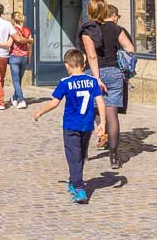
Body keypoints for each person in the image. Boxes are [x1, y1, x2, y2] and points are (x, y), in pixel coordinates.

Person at [33, 49, 106, 204]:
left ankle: (80, 188)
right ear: (83, 64)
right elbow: (100, 102)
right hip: (87, 125)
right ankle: (74, 180)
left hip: (71, 125)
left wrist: (40, 111)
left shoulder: (65, 82)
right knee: (80, 156)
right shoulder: (92, 81)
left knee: (73, 156)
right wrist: (103, 123)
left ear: (67, 65)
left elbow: (54, 102)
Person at [77, 0, 135, 169]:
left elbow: (92, 56)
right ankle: (114, 157)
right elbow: (130, 49)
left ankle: (84, 153)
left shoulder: (87, 30)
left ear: (90, 11)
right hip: (114, 72)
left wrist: (96, 78)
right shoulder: (116, 28)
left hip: (93, 74)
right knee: (112, 115)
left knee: (88, 113)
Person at [0, 12, 34, 109]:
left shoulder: (13, 31)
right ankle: (14, 97)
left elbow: (8, 45)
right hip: (24, 57)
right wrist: (29, 58)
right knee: (19, 80)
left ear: (13, 20)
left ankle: (21, 100)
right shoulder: (27, 31)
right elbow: (30, 47)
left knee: (16, 81)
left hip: (14, 57)